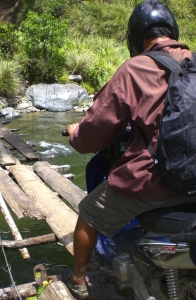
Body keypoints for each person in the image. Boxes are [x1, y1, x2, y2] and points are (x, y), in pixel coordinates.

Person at [63, 0, 196, 299]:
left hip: (154, 183)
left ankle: (79, 281)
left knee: (88, 213)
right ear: (173, 30)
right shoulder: (194, 62)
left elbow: (92, 137)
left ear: (136, 37)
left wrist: (75, 135)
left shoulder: (136, 69)